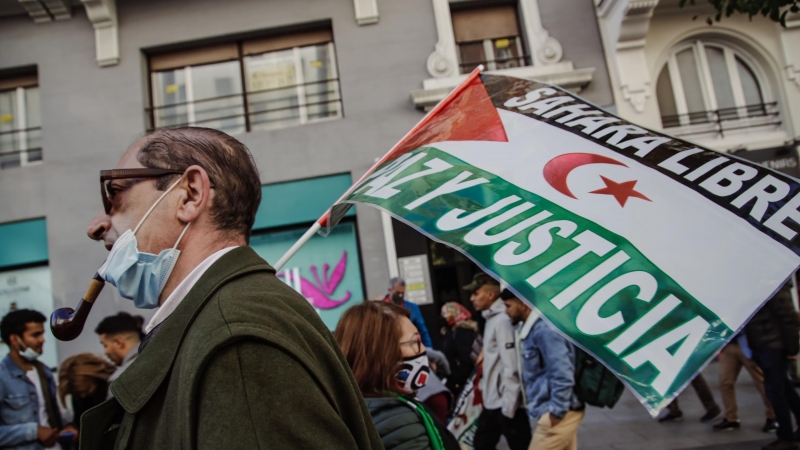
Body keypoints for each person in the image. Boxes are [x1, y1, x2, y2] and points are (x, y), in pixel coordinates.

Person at [80, 127, 381, 449]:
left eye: (116, 193)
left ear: (190, 194)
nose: (97, 225)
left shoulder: (236, 343)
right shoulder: (224, 322)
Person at [334, 301, 460, 450]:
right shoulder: (400, 422)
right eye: (414, 341)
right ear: (383, 352)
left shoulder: (353, 405)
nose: (422, 349)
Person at [502, 289, 584, 450]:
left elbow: (562, 372)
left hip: (560, 413)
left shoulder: (544, 330)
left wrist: (556, 412)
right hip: (558, 412)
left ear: (523, 304)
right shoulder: (534, 329)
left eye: (508, 306)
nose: (506, 312)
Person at [465, 274, 530, 450]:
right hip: (494, 401)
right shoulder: (493, 319)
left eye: (476, 293)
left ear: (490, 295)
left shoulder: (502, 320)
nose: (472, 298)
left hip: (505, 404)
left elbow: (511, 365)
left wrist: (509, 406)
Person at [0, 309, 76, 449]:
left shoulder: (44, 371)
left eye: (42, 333)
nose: (42, 340)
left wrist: (67, 426)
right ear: (14, 339)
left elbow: (52, 414)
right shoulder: (3, 376)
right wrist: (33, 431)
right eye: (35, 335)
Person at [745, 285, 800, 450]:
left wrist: (792, 349)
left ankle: (786, 438)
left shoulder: (772, 285)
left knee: (774, 391)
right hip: (764, 345)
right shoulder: (758, 287)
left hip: (773, 346)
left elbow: (789, 318)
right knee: (784, 388)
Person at [712, 334, 777, 432]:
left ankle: (773, 416)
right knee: (725, 382)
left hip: (748, 342)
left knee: (761, 382)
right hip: (729, 343)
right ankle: (731, 418)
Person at [57, 354, 115, 434]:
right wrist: (72, 427)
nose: (82, 396)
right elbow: (79, 420)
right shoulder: (77, 393)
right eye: (77, 394)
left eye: (86, 391)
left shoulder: (112, 388)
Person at [440, 301, 481, 397]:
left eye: (445, 313)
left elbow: (465, 358)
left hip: (463, 380)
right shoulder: (450, 330)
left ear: (454, 312)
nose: (442, 316)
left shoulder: (462, 331)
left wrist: (456, 379)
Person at [94, 313, 143, 386]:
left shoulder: (118, 382)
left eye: (105, 345)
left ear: (118, 343)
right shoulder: (161, 351)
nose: (105, 352)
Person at [384, 277, 433, 348]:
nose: (400, 296)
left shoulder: (412, 307)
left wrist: (429, 349)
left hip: (411, 348)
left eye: (402, 293)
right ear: (389, 290)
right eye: (397, 293)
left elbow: (423, 331)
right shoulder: (379, 309)